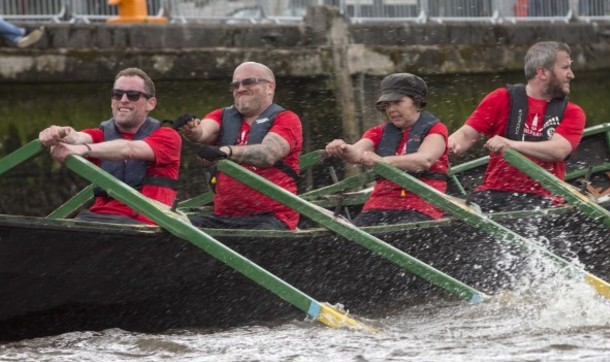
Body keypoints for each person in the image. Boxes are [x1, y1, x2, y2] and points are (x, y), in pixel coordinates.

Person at [449, 41, 586, 212]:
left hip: (542, 199)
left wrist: (511, 144)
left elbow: (558, 151)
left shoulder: (572, 112)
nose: (571, 75)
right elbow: (465, 136)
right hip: (493, 192)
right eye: (565, 68)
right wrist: (448, 145)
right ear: (542, 72)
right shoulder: (500, 98)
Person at [38, 67, 182, 225]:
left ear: (150, 103)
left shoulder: (168, 137)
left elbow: (129, 149)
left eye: (133, 95)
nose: (124, 99)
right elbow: (78, 137)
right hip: (98, 218)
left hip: (147, 223)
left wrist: (83, 149)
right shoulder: (101, 135)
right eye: (117, 94)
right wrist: (60, 134)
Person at [175, 61, 303, 230]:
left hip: (273, 218)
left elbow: (268, 154)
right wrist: (192, 129)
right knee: (177, 229)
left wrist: (226, 151)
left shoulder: (287, 119)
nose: (240, 88)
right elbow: (203, 132)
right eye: (235, 85)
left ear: (270, 87)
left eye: (248, 82)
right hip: (225, 218)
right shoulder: (222, 116)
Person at [324, 73, 449, 227]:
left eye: (397, 102)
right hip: (380, 204)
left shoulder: (436, 129)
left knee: (401, 235)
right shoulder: (379, 132)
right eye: (387, 105)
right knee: (352, 236)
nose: (391, 109)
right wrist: (343, 147)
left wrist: (382, 161)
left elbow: (425, 160)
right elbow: (357, 153)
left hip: (422, 203)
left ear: (417, 102)